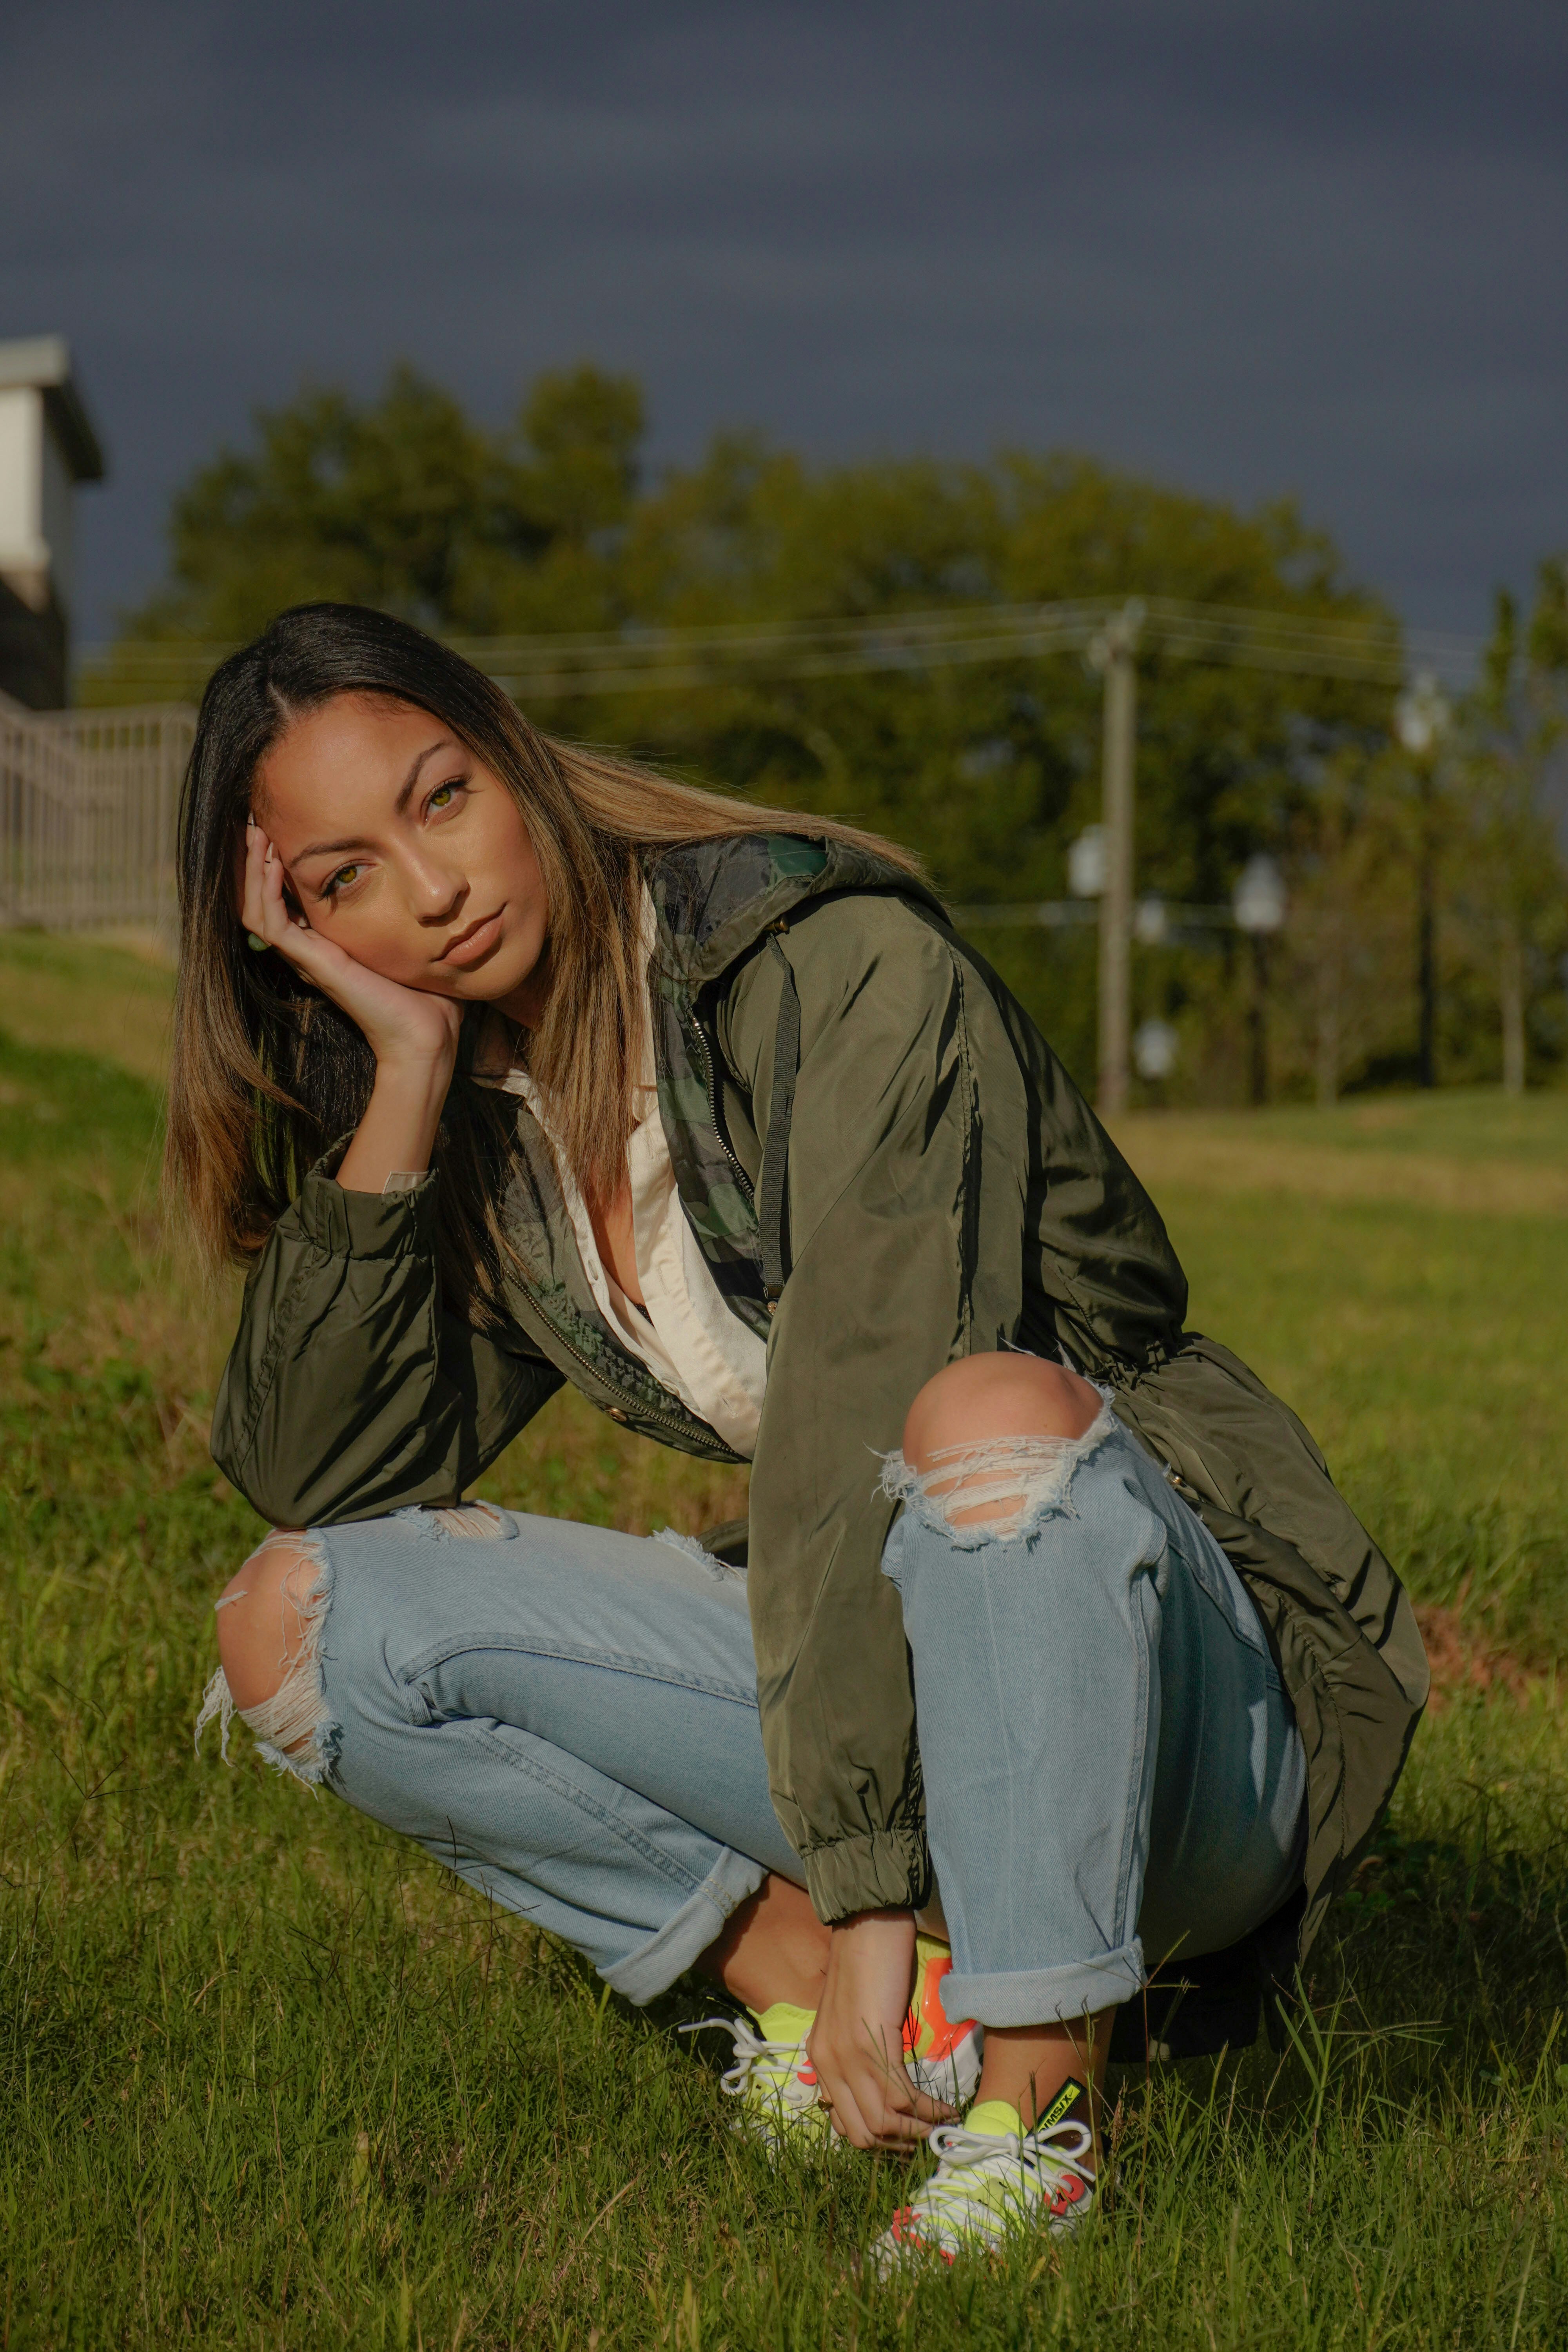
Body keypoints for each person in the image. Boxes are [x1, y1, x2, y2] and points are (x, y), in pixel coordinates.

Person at [178, 603, 1427, 2268]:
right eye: (341, 881)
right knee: (301, 1624)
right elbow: (317, 1482)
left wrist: (868, 1881)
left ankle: (1036, 2114)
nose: (429, 888)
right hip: (896, 1682)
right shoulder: (493, 1105)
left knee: (979, 1415)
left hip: (1168, 1717)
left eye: (441, 797)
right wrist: (402, 1078)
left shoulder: (832, 967)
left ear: (517, 756)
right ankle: (825, 1997)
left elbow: (862, 1403)